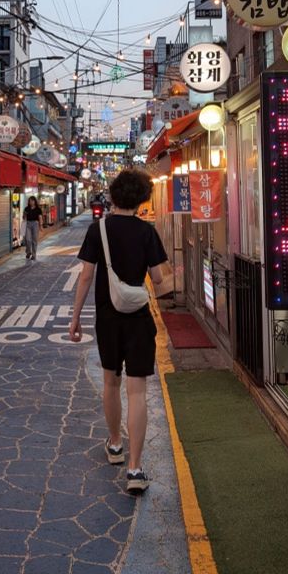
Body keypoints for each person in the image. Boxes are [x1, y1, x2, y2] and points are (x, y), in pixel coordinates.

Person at [69, 169, 167, 495]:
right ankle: (136, 469)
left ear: (112, 196)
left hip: (107, 318)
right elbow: (161, 280)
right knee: (137, 390)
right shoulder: (147, 232)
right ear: (142, 198)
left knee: (111, 381)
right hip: (138, 317)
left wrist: (75, 317)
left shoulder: (98, 229)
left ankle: (114, 445)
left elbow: (85, 276)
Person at [23, 196, 44, 261]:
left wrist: (41, 226)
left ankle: (34, 255)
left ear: (35, 201)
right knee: (28, 239)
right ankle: (28, 252)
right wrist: (24, 215)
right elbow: (24, 218)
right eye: (30, 201)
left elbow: (40, 218)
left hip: (35, 224)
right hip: (28, 224)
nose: (31, 202)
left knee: (34, 240)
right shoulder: (26, 208)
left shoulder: (38, 209)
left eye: (32, 201)